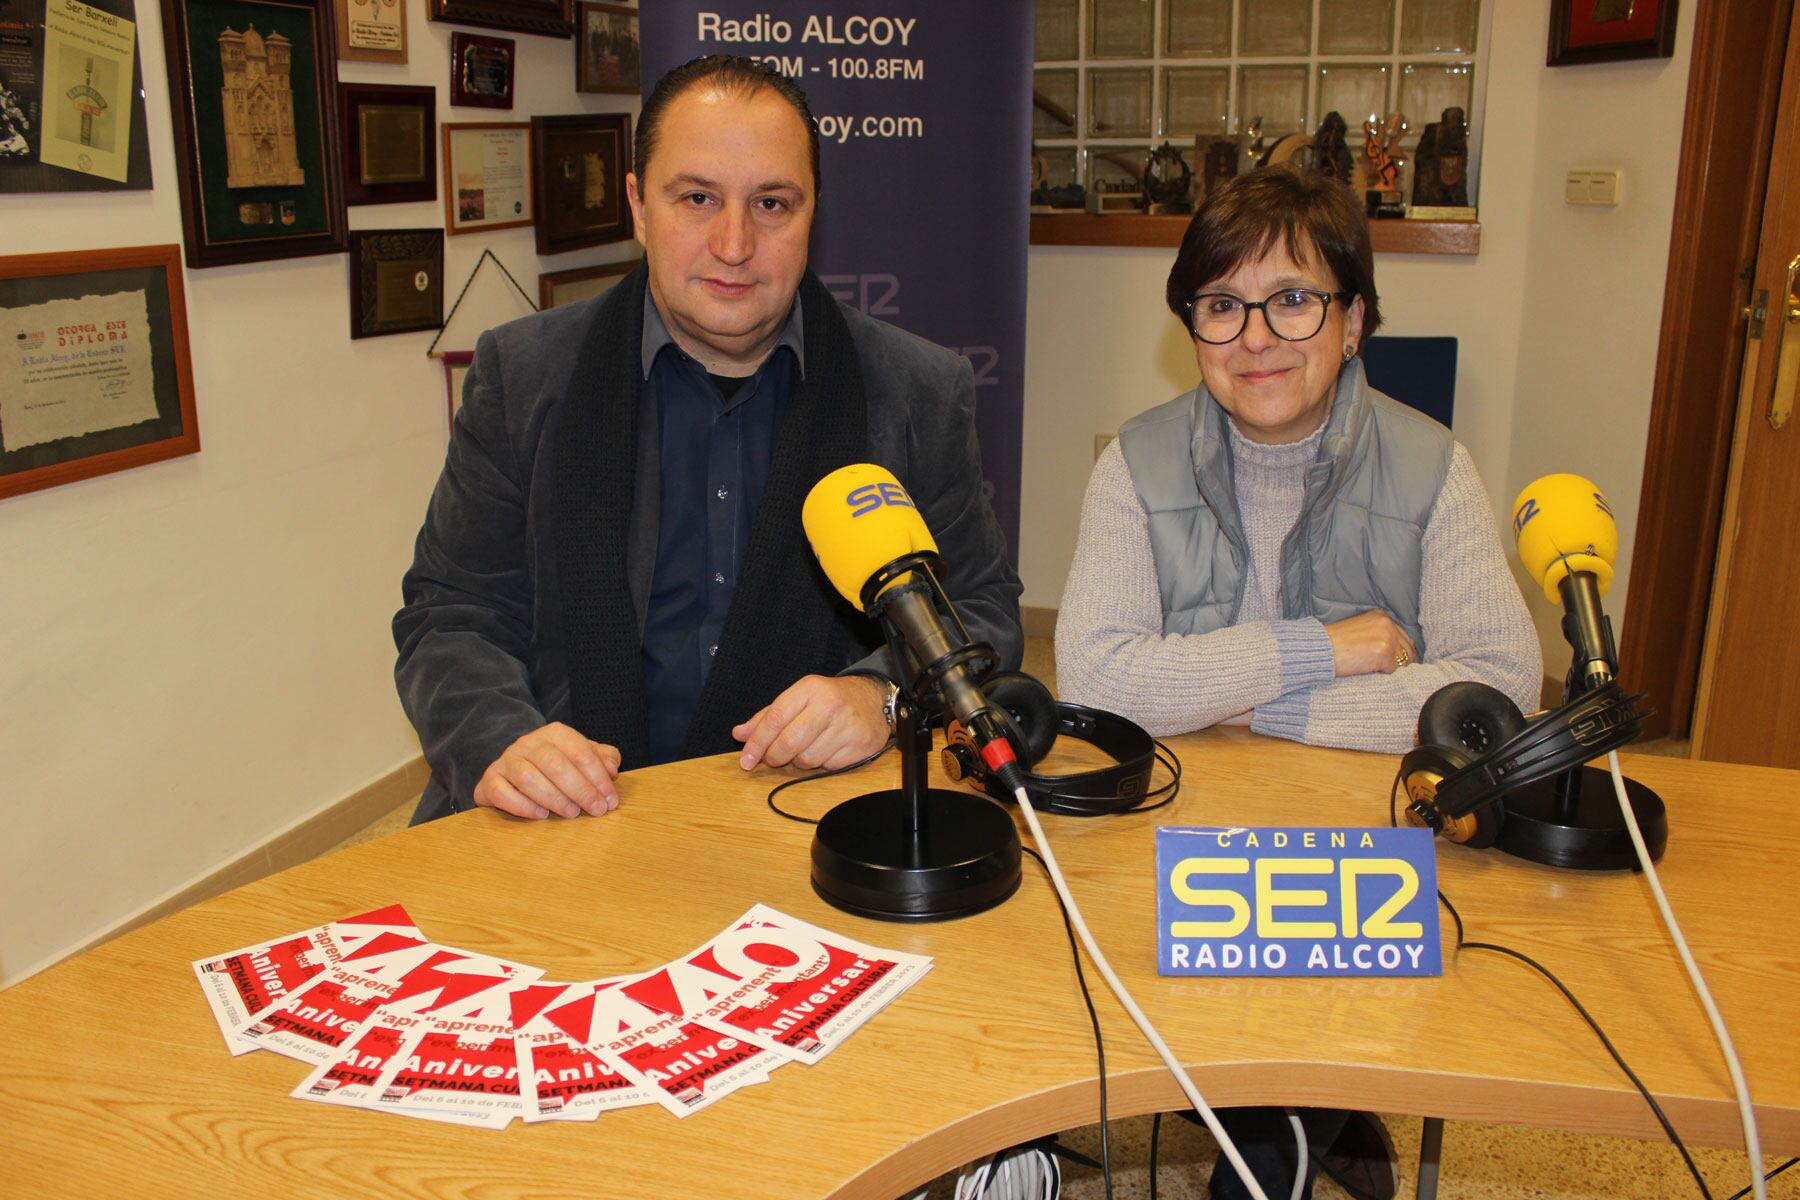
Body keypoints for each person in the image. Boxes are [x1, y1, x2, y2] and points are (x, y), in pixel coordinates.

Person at [1055, 165, 1540, 1199]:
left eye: (1294, 300)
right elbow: (1094, 676)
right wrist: (1328, 648)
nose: (1256, 338)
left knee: (1291, 1077)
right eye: (1222, 306)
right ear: (1192, 326)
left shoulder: (1432, 466)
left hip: (1360, 843)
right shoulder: (1133, 467)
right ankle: (1290, 1116)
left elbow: (1498, 691)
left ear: (1355, 319)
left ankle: (1306, 1112)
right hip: (1180, 836)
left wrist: (1240, 696)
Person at [394, 55, 1021, 825]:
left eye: (772, 204)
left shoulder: (916, 389)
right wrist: (503, 740)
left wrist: (879, 696)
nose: (734, 243)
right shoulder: (523, 374)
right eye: (697, 198)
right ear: (637, 205)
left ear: (813, 210)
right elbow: (451, 613)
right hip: (561, 822)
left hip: (797, 819)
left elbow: (981, 607)